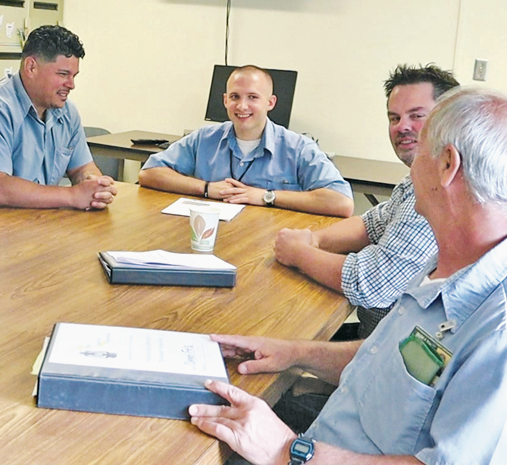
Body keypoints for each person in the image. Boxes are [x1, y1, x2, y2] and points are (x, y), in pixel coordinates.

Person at [190, 87, 507, 464]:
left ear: (447, 165)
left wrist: (283, 450)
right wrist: (295, 353)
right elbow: (395, 362)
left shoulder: (497, 328)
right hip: (326, 434)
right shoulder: (450, 261)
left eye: (422, 145)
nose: (410, 160)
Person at [275, 64, 459, 338]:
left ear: (450, 118)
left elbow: (373, 283)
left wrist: (299, 254)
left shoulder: (441, 187)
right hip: (375, 339)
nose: (402, 127)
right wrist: (313, 240)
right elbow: (370, 224)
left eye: (416, 115)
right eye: (394, 118)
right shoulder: (417, 176)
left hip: (391, 353)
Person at [0, 25, 117, 213]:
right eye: (63, 74)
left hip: (32, 223)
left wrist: (95, 186)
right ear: (31, 67)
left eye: (74, 76)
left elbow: (82, 169)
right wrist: (73, 196)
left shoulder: (66, 112)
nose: (71, 85)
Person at [138, 65, 354, 218]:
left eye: (252, 97)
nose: (242, 106)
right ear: (224, 100)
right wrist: (206, 188)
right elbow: (149, 173)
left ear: (270, 102)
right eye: (234, 97)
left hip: (269, 248)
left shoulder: (298, 148)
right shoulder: (204, 139)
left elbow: (342, 203)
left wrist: (267, 196)